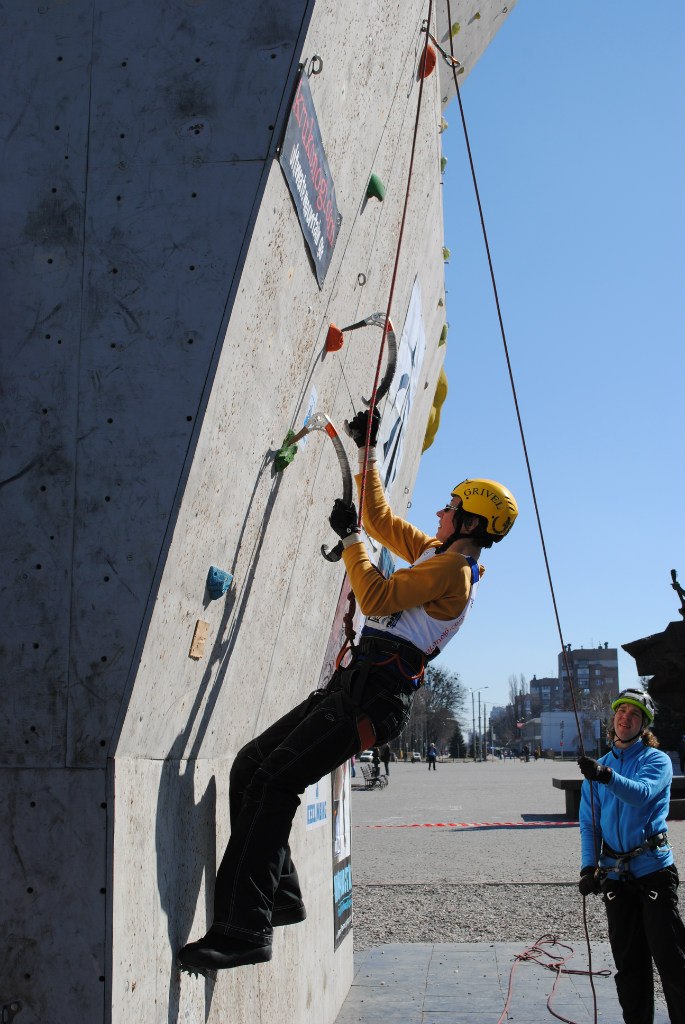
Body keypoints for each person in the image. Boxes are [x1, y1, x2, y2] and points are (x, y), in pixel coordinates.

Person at [177, 406, 518, 974]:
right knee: (250, 766)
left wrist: (353, 544)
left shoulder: (453, 573)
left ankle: (245, 930)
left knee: (274, 780)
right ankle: (277, 896)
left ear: (472, 525)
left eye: (452, 508)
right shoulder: (440, 556)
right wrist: (369, 452)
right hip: (358, 688)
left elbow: (378, 597)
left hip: (371, 698)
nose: (440, 509)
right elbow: (381, 521)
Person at [577, 688, 685, 1024]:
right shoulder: (600, 768)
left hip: (653, 870)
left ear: (644, 726)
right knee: (629, 965)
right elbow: (589, 825)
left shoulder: (657, 761)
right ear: (614, 718)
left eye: (634, 714)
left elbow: (640, 795)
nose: (626, 717)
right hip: (615, 875)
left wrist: (605, 776)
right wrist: (587, 867)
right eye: (621, 711)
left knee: (671, 960)